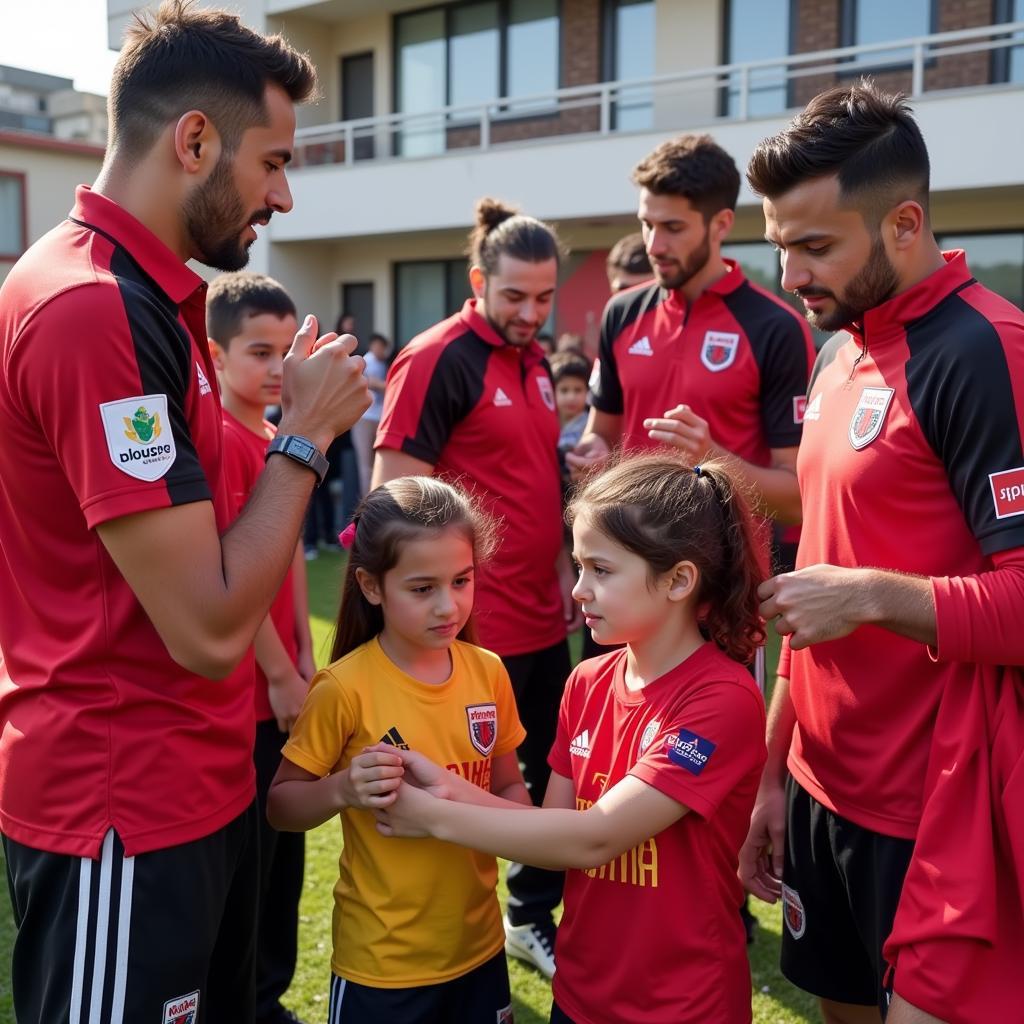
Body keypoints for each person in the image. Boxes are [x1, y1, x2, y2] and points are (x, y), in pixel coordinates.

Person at [0, 4, 370, 1021]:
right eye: (273, 163)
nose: (284, 196)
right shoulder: (92, 310)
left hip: (185, 793)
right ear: (194, 140)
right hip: (120, 804)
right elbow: (208, 627)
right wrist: (304, 440)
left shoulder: (150, 300)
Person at [740, 81, 1024, 1024]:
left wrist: (870, 595)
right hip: (824, 790)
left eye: (816, 247)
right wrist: (778, 773)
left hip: (942, 814)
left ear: (904, 224)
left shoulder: (988, 351)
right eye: (780, 246)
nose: (791, 276)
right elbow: (813, 574)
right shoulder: (836, 353)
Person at [371, 455, 768, 1024]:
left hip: (682, 1004)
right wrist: (447, 790)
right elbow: (550, 828)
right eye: (578, 565)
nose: (579, 589)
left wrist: (431, 817)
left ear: (679, 579)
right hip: (580, 993)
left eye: (602, 571)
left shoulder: (720, 700)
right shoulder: (586, 681)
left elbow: (593, 839)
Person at [373, 197, 577, 977]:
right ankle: (442, 945)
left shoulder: (531, 360)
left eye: (545, 297)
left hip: (539, 619)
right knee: (455, 789)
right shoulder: (437, 357)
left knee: (546, 774)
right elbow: (393, 500)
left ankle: (529, 918)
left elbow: (535, 481)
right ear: (478, 280)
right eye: (515, 296)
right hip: (466, 630)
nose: (530, 313)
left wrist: (564, 566)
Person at [266, 477, 528, 1023]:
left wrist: (518, 825)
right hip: (381, 965)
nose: (447, 605)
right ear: (371, 585)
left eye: (461, 580)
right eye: (422, 588)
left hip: (479, 949)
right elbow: (281, 807)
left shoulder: (489, 673)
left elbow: (509, 789)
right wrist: (342, 788)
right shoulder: (343, 687)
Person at [569, 134, 814, 535]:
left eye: (673, 227)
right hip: (626, 564)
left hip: (727, 581)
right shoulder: (621, 312)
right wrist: (591, 454)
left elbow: (795, 500)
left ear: (721, 224)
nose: (654, 245)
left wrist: (711, 458)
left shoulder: (775, 327)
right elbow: (600, 435)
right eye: (646, 225)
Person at [208, 270, 314, 1024]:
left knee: (285, 862)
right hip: (243, 702)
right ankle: (244, 1000)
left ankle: (268, 994)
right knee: (247, 866)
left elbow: (291, 565)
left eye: (286, 350)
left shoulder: (283, 441)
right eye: (258, 351)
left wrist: (306, 657)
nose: (278, 368)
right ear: (213, 357)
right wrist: (278, 673)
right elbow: (229, 575)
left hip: (286, 689)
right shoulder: (219, 441)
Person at [351, 331, 392, 495]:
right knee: (366, 466)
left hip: (379, 417)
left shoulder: (382, 364)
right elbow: (372, 383)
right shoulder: (366, 361)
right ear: (374, 345)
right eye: (381, 347)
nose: (383, 351)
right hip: (365, 418)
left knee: (378, 464)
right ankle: (367, 504)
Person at [550, 350, 591, 464]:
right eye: (564, 390)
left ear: (587, 391)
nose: (571, 397)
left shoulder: (591, 426)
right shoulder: (546, 422)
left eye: (578, 390)